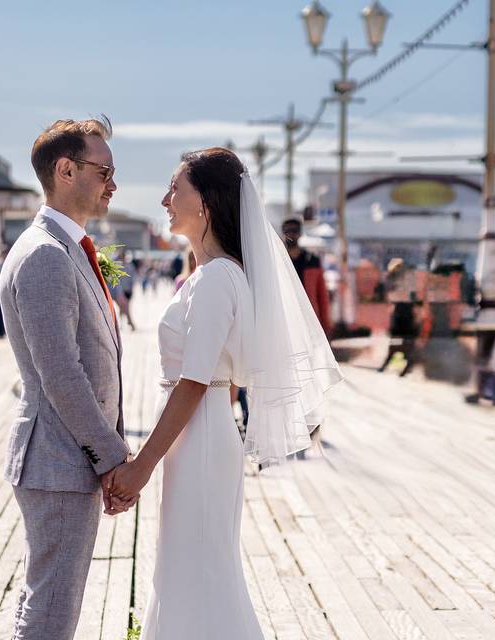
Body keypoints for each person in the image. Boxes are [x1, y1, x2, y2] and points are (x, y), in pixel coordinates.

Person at [104, 148, 343, 639]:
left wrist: (141, 466)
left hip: (201, 438)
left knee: (197, 574)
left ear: (206, 204)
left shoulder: (215, 279)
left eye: (176, 188)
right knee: (193, 570)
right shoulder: (216, 275)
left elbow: (195, 381)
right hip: (199, 436)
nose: (165, 199)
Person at [0, 116, 135, 640]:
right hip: (58, 459)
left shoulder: (62, 249)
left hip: (61, 457)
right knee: (51, 612)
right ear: (66, 170)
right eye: (104, 171)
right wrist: (112, 455)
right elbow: (61, 375)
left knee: (46, 601)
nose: (113, 185)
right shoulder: (46, 256)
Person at [281, 218, 333, 337]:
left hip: (309, 318)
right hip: (286, 318)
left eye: (294, 230)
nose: (290, 234)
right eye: (287, 230)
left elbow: (322, 296)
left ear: (300, 233)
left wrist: (326, 326)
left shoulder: (312, 260)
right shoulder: (278, 260)